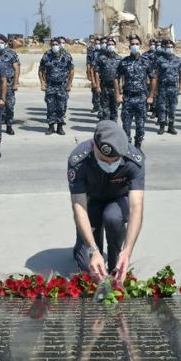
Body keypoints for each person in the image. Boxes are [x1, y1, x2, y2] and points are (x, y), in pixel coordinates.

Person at [68, 120, 145, 282]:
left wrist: (128, 250)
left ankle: (115, 254)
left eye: (114, 161)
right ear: (94, 145)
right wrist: (93, 250)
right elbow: (79, 206)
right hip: (91, 202)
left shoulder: (134, 160)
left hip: (118, 200)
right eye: (103, 160)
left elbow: (136, 206)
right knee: (88, 269)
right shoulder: (78, 160)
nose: (110, 164)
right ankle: (84, 247)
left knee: (113, 218)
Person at [115, 34, 156, 150]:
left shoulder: (146, 62)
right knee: (126, 127)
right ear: (129, 46)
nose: (135, 46)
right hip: (127, 98)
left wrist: (151, 96)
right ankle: (127, 149)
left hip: (141, 98)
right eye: (132, 44)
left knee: (140, 126)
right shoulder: (124, 62)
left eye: (137, 44)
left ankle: (138, 148)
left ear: (141, 46)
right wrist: (118, 95)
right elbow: (116, 78)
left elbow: (153, 78)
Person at [39, 37, 74, 135]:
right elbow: (41, 70)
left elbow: (71, 70)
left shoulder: (66, 56)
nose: (55, 46)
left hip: (62, 85)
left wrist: (69, 84)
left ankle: (60, 127)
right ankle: (51, 126)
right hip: (50, 85)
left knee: (61, 107)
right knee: (50, 107)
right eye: (53, 45)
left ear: (60, 45)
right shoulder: (46, 56)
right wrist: (42, 83)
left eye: (56, 44)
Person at [155, 39, 181, 135]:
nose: (170, 49)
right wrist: (155, 89)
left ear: (174, 48)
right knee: (162, 107)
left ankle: (171, 127)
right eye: (168, 47)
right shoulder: (160, 60)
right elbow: (156, 75)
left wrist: (180, 87)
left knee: (172, 108)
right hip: (163, 87)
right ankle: (162, 126)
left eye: (171, 47)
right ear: (165, 48)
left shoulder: (178, 60)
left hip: (173, 87)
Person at [0, 34, 20, 135]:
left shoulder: (11, 54)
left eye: (1, 43)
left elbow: (16, 68)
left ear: (5, 43)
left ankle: (9, 125)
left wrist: (16, 83)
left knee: (9, 105)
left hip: (9, 84)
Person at [93, 37, 121, 122]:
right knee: (105, 108)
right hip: (105, 86)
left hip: (116, 88)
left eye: (112, 45)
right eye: (109, 45)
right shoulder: (101, 58)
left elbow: (123, 75)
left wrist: (122, 89)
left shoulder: (119, 59)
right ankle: (105, 126)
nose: (110, 46)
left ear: (115, 46)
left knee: (115, 108)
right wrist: (97, 86)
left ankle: (114, 126)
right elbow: (96, 72)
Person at [86, 36, 103, 114]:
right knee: (94, 90)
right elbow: (89, 64)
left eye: (99, 43)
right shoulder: (92, 52)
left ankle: (100, 107)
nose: (97, 45)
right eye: (96, 43)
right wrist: (89, 74)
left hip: (102, 74)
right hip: (94, 73)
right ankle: (95, 105)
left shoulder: (104, 52)